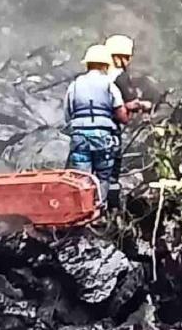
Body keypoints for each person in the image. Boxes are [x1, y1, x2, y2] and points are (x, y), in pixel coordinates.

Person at [65, 44, 129, 203]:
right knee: (103, 176)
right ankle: (98, 210)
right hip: (103, 137)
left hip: (79, 137)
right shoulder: (109, 85)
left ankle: (81, 210)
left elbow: (67, 113)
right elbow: (121, 114)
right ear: (106, 65)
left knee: (81, 178)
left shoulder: (75, 85)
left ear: (87, 64)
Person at [104, 34, 152, 208]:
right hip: (109, 130)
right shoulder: (119, 77)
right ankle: (110, 209)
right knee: (110, 173)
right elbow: (127, 104)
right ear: (121, 57)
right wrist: (143, 105)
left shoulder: (96, 75)